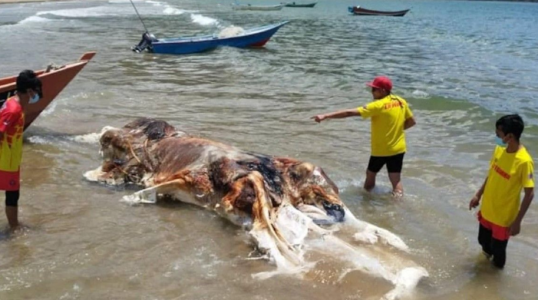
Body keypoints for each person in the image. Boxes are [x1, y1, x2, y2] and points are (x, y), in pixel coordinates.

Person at [311, 76, 416, 196]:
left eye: (374, 89)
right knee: (395, 179)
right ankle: (398, 206)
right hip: (399, 148)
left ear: (383, 90)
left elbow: (350, 113)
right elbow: (411, 121)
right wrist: (395, 131)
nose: (372, 92)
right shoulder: (400, 101)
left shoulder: (378, 105)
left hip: (381, 149)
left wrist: (326, 115)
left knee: (370, 175)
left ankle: (367, 202)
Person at [469, 114, 534, 269]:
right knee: (483, 242)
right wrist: (478, 194)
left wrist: (517, 221)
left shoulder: (524, 161)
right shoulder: (499, 150)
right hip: (487, 209)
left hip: (503, 217)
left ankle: (495, 279)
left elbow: (530, 193)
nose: (496, 136)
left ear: (509, 136)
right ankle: (484, 269)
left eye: (498, 133)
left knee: (498, 251)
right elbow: (490, 175)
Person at [0, 70, 42, 231]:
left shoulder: (14, 102)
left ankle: (14, 226)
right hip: (5, 160)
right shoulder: (14, 110)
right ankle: (14, 228)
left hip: (11, 159)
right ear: (30, 91)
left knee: (13, 194)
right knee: (12, 194)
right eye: (36, 91)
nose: (37, 95)